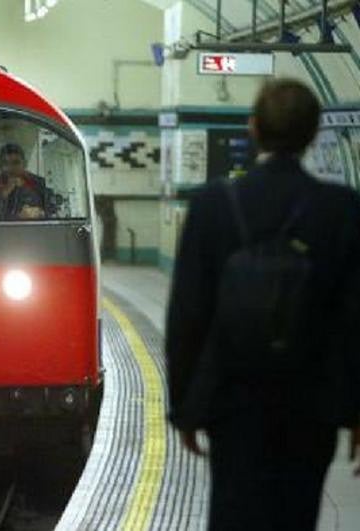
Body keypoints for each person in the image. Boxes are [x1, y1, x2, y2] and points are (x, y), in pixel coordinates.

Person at [166, 79, 360, 530]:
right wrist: (355, 409)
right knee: (296, 514)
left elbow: (188, 313)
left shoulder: (212, 204)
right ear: (313, 135)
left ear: (253, 129)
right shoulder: (342, 210)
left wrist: (186, 407)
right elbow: (354, 319)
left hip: (234, 402)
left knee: (233, 511)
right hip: (310, 404)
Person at [0, 143, 52, 221]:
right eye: (6, 163)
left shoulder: (37, 183)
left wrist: (40, 213)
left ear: (24, 164)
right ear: (0, 166)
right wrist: (2, 195)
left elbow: (52, 214)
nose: (11, 168)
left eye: (16, 163)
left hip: (31, 232)